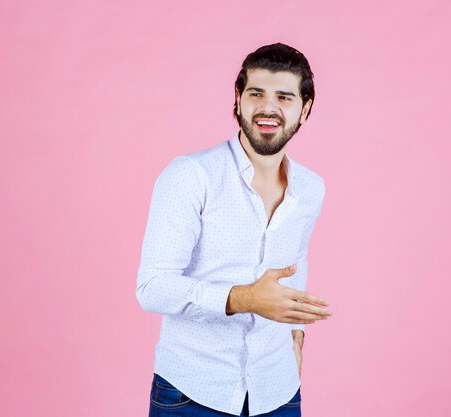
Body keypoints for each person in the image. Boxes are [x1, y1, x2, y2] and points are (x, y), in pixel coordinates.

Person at [136, 42, 331, 417]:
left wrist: (297, 339)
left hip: (278, 392)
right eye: (256, 93)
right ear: (238, 99)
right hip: (192, 393)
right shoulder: (191, 176)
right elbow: (152, 287)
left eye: (284, 96)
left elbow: (296, 261)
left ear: (304, 109)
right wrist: (243, 299)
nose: (268, 107)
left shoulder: (311, 188)